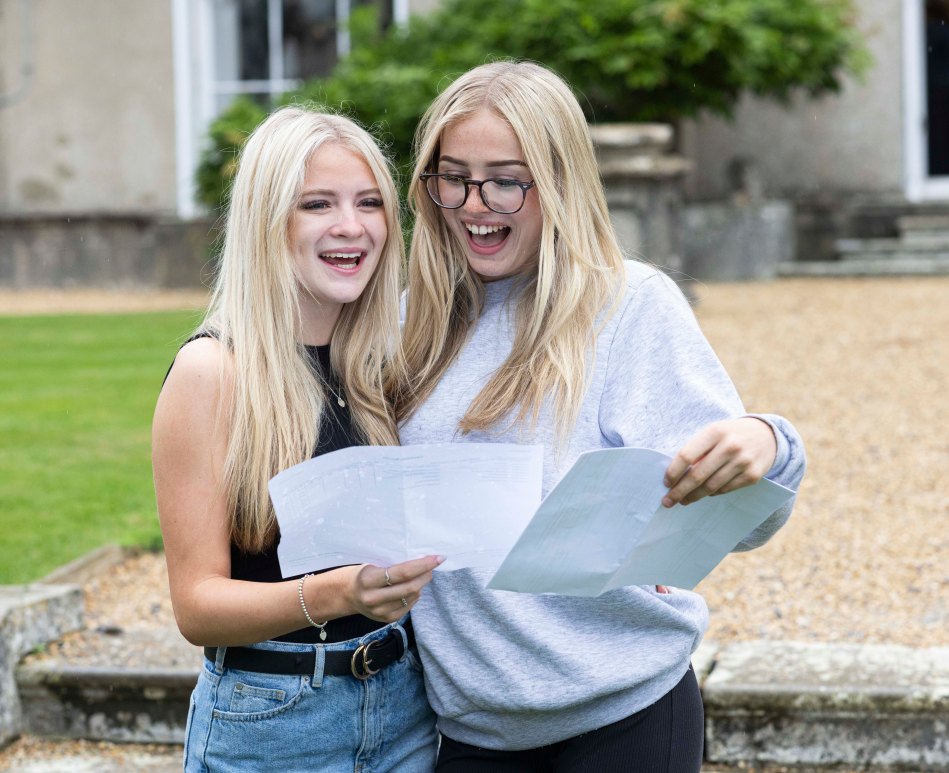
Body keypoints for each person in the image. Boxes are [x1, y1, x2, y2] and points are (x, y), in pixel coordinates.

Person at [391, 61, 807, 772]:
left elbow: (747, 517)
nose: (472, 202)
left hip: (624, 716)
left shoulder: (627, 305)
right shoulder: (405, 319)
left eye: (505, 179)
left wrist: (766, 442)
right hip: (471, 731)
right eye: (451, 176)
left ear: (559, 182)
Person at [152, 106, 443, 773]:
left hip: (406, 706)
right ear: (267, 219)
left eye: (370, 202)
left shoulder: (374, 365)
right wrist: (340, 593)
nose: (352, 226)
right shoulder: (212, 370)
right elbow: (196, 605)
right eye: (318, 203)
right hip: (274, 719)